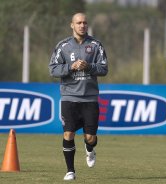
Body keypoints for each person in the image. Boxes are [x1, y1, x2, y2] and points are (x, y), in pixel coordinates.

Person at [49, 13, 108, 181]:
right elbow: (53, 69)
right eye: (79, 22)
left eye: (85, 22)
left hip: (90, 98)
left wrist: (88, 67)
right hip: (69, 96)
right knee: (68, 133)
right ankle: (70, 171)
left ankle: (90, 149)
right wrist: (70, 67)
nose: (82, 25)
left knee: (90, 137)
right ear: (72, 25)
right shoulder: (63, 46)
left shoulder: (96, 45)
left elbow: (104, 69)